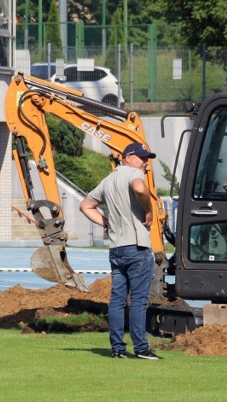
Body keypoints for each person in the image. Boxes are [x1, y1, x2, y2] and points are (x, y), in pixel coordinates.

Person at [79, 142, 161, 360]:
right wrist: (149, 211)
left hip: (116, 249)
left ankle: (117, 348)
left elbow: (85, 206)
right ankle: (141, 348)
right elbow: (140, 189)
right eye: (143, 158)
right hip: (137, 247)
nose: (146, 163)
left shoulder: (108, 180)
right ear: (129, 157)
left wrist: (106, 222)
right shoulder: (134, 173)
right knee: (139, 300)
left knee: (117, 300)